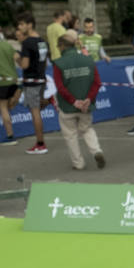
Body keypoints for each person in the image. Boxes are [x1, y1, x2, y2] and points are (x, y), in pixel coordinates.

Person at [50, 33, 105, 171]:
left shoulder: (58, 63)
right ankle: (96, 151)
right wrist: (88, 99)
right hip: (86, 106)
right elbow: (97, 83)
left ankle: (78, 163)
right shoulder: (88, 60)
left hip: (67, 106)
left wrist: (74, 101)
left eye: (58, 45)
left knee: (70, 135)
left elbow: (60, 87)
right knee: (87, 129)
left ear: (62, 46)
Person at [15, 12, 50, 154]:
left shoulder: (27, 42)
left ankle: (40, 143)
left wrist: (17, 57)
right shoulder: (42, 41)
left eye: (22, 24)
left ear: (29, 25)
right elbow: (45, 62)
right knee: (38, 109)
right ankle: (40, 142)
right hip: (41, 78)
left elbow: (24, 65)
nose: (19, 27)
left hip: (31, 80)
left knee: (35, 112)